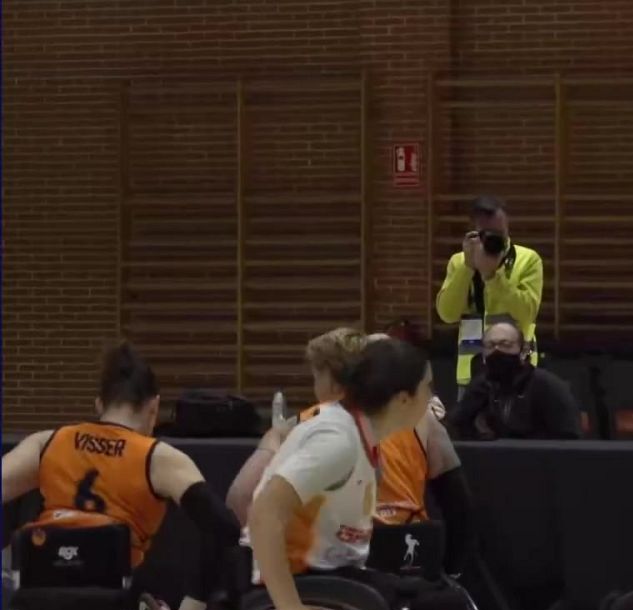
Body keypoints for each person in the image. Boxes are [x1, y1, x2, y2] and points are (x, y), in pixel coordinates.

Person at [244, 338, 465, 610]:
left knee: (441, 603)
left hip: (329, 572)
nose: (432, 399)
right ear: (403, 398)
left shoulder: (361, 434)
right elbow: (263, 510)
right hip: (303, 580)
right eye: (428, 389)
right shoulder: (337, 439)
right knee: (435, 609)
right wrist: (289, 608)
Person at [0, 343, 241, 610]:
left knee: (51, 554)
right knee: (87, 557)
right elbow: (224, 526)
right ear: (154, 407)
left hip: (37, 578)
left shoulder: (48, 442)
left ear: (99, 404)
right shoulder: (160, 458)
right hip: (112, 582)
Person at [228, 328, 478, 577]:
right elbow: (459, 507)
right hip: (403, 548)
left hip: (331, 560)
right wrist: (452, 571)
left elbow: (241, 496)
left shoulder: (298, 426)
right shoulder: (422, 420)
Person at [435, 196, 544, 386]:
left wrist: (493, 277)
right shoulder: (460, 262)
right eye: (488, 234)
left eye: (501, 233)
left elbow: (527, 313)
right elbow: (447, 314)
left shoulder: (528, 260)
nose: (496, 240)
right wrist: (467, 268)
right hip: (472, 372)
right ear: (474, 232)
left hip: (519, 367)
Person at [445, 321, 582, 441]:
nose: (497, 350)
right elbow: (453, 428)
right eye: (490, 345)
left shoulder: (547, 386)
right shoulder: (481, 387)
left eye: (506, 345)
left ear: (523, 351)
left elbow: (569, 437)